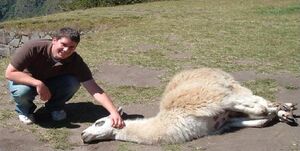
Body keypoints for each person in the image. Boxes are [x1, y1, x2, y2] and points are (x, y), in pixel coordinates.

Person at [5, 27, 125, 128]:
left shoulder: (75, 61)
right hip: (24, 81)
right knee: (22, 92)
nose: (66, 50)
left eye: (72, 47)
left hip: (50, 81)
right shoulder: (32, 48)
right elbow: (10, 73)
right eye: (63, 44)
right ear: (54, 40)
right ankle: (25, 111)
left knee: (73, 82)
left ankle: (55, 107)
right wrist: (38, 84)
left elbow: (93, 87)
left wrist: (113, 112)